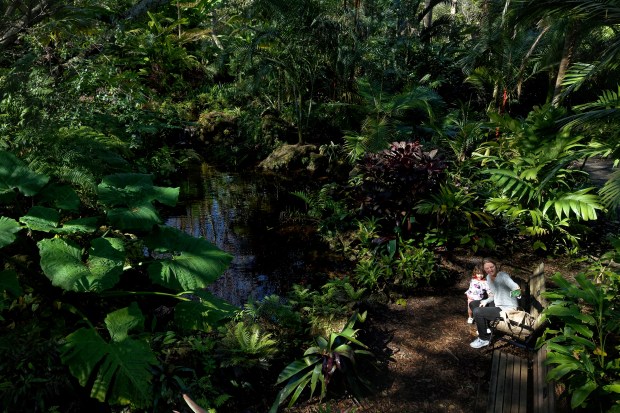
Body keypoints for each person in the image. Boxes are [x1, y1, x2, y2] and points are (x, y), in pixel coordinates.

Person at [469, 257, 521, 349]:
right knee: (473, 304)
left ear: (495, 266)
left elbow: (516, 288)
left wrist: (513, 295)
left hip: (507, 309)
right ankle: (486, 328)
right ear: (484, 270)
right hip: (497, 303)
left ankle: (484, 339)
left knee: (477, 311)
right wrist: (485, 301)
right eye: (487, 268)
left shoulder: (503, 276)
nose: (490, 270)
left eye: (491, 267)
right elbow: (493, 295)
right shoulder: (488, 278)